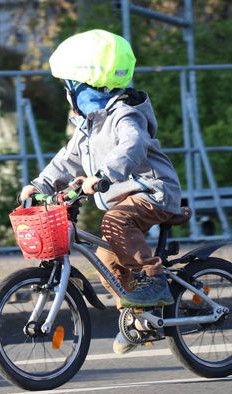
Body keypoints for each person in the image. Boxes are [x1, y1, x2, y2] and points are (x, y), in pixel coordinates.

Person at [18, 29, 183, 353]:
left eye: (70, 87)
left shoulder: (126, 113)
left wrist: (105, 174)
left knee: (114, 223)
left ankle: (156, 280)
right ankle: (139, 316)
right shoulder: (89, 124)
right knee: (106, 257)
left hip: (153, 189)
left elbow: (132, 146)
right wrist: (40, 184)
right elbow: (68, 159)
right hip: (125, 196)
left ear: (89, 87)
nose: (67, 94)